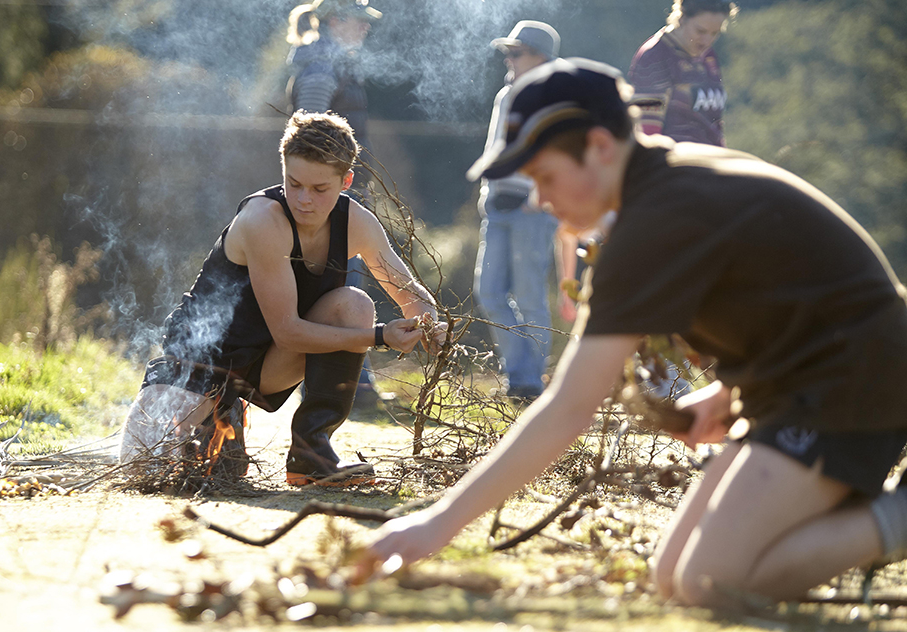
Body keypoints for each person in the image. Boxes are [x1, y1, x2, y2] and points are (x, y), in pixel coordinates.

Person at [365, 58, 907, 606]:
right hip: (803, 382)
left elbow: (569, 407)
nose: (539, 199)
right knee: (672, 576)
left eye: (545, 177)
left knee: (707, 582)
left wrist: (436, 523)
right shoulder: (667, 180)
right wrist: (727, 392)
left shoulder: (656, 217)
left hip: (859, 382)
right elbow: (797, 296)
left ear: (600, 146)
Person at [119, 110, 444, 486]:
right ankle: (222, 414)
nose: (304, 199)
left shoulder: (357, 222)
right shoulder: (263, 220)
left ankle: (311, 454)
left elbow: (410, 295)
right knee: (141, 467)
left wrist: (432, 326)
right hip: (200, 361)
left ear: (346, 181)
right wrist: (379, 336)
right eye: (295, 183)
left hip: (268, 366)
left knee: (353, 305)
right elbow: (288, 331)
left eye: (319, 189)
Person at [286, 0, 390, 410]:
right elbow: (307, 137)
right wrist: (325, 194)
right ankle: (348, 386)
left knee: (347, 287)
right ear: (334, 20)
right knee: (344, 289)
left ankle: (350, 383)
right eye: (358, 21)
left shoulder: (338, 64)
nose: (365, 28)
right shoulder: (321, 67)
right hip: (329, 198)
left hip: (341, 193)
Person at [473, 20, 568, 401]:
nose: (508, 59)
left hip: (534, 210)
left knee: (530, 297)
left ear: (540, 57)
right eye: (508, 52)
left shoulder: (556, 97)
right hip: (498, 206)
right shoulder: (505, 95)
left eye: (517, 53)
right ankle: (521, 376)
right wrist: (487, 191)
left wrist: (537, 195)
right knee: (489, 292)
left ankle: (529, 383)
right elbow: (495, 148)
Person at [629, 0, 738, 147]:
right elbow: (648, 132)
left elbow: (714, 123)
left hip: (711, 155)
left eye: (715, 33)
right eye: (700, 31)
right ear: (681, 18)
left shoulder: (708, 56)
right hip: (675, 157)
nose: (707, 41)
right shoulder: (656, 56)